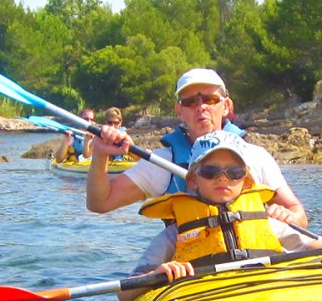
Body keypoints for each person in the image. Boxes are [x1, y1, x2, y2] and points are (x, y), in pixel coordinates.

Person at [119, 131, 322, 301]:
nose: (223, 178)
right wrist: (157, 275)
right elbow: (125, 293)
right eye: (210, 171)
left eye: (234, 172)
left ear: (246, 182)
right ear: (193, 180)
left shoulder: (265, 223)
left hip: (267, 298)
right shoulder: (175, 234)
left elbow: (314, 246)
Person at [87, 69, 308, 228]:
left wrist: (287, 217)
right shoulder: (162, 163)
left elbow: (299, 215)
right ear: (179, 111)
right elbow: (99, 203)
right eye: (191, 101)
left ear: (226, 106)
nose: (201, 107)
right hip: (190, 273)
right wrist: (100, 155)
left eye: (210, 99)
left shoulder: (255, 157)